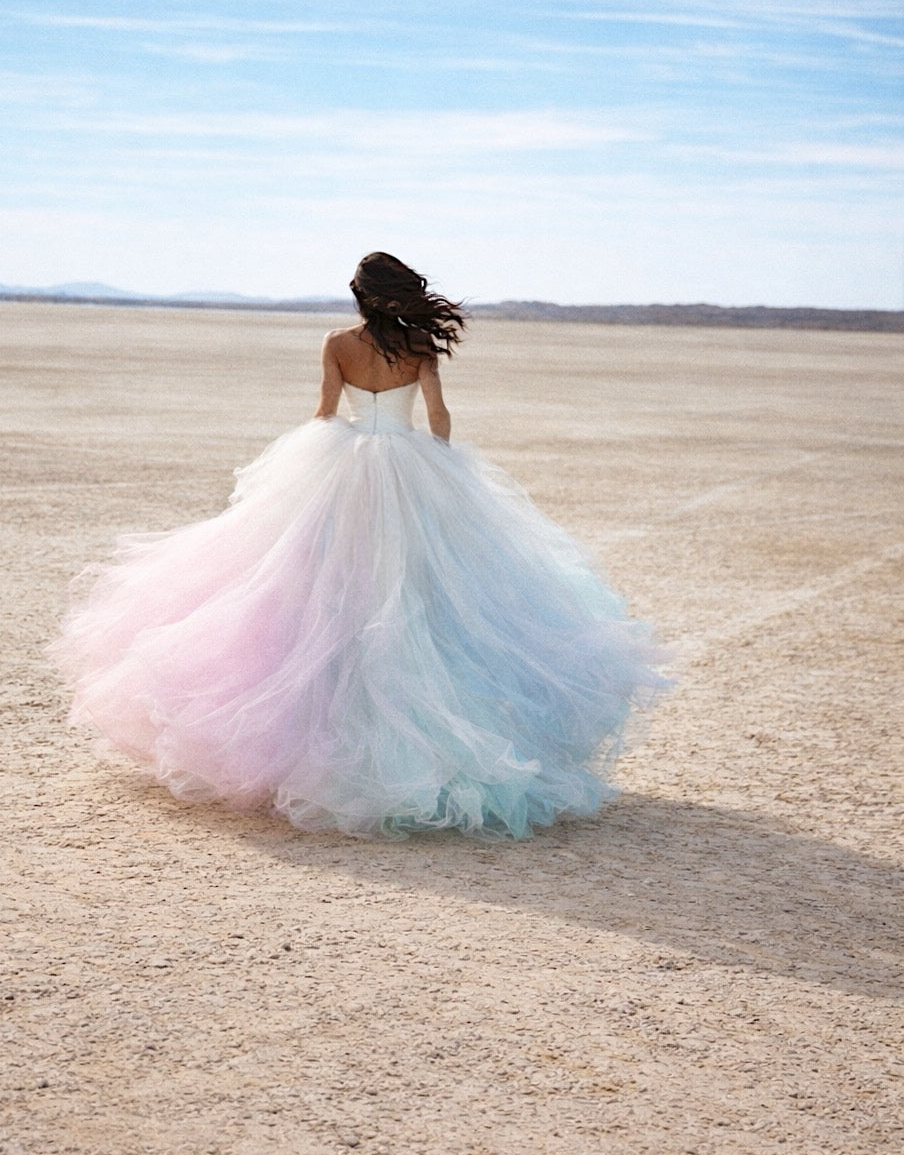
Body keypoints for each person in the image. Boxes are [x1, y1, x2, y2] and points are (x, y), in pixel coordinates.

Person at [50, 251, 666, 838]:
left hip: (342, 467)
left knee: (321, 587)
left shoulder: (337, 344)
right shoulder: (419, 344)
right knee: (423, 591)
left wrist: (316, 464)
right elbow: (438, 415)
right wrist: (442, 469)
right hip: (409, 466)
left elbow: (324, 413)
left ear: (359, 298)